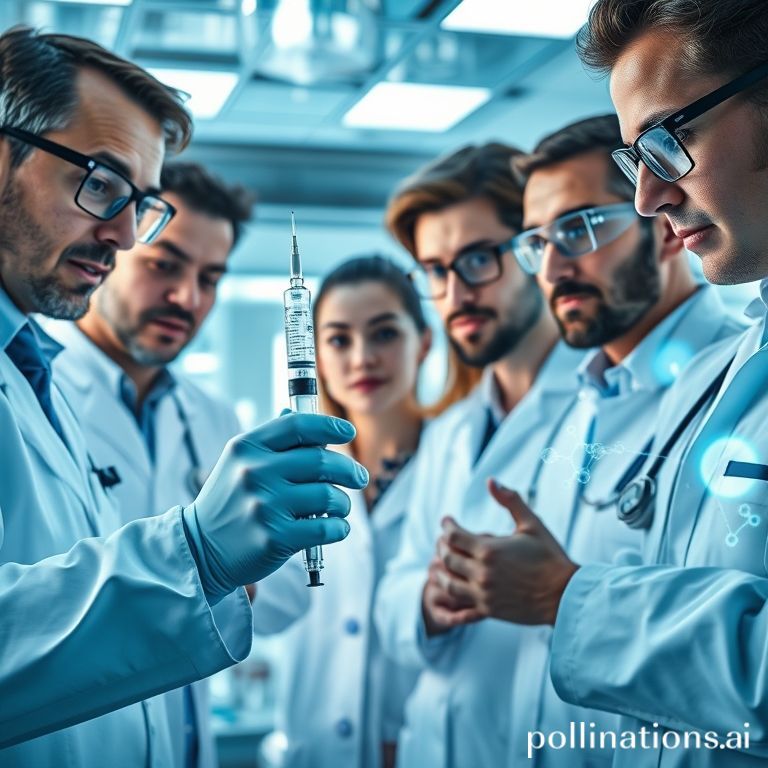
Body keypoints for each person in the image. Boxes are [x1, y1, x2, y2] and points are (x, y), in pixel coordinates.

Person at [0, 26, 366, 764]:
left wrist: (215, 561)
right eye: (99, 182)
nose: (125, 235)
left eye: (141, 204)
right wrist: (194, 556)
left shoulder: (31, 373)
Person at [432, 2, 768, 766]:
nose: (649, 195)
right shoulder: (742, 365)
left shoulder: (714, 372)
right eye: (634, 161)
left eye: (668, 139)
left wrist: (569, 599)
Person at [374, 143, 584, 768]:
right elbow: (394, 593)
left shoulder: (607, 409)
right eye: (435, 271)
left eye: (476, 260)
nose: (455, 292)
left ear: (536, 248)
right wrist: (428, 603)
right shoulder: (449, 433)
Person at [47, 161, 253, 768]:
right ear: (115, 250)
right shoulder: (34, 389)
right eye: (166, 265)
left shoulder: (215, 420)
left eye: (211, 278)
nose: (187, 299)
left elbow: (289, 592)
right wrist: (206, 568)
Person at [252, 255, 431, 768]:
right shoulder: (293, 473)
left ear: (423, 342)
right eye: (337, 339)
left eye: (384, 334)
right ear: (313, 354)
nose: (361, 358)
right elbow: (267, 610)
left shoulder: (460, 459)